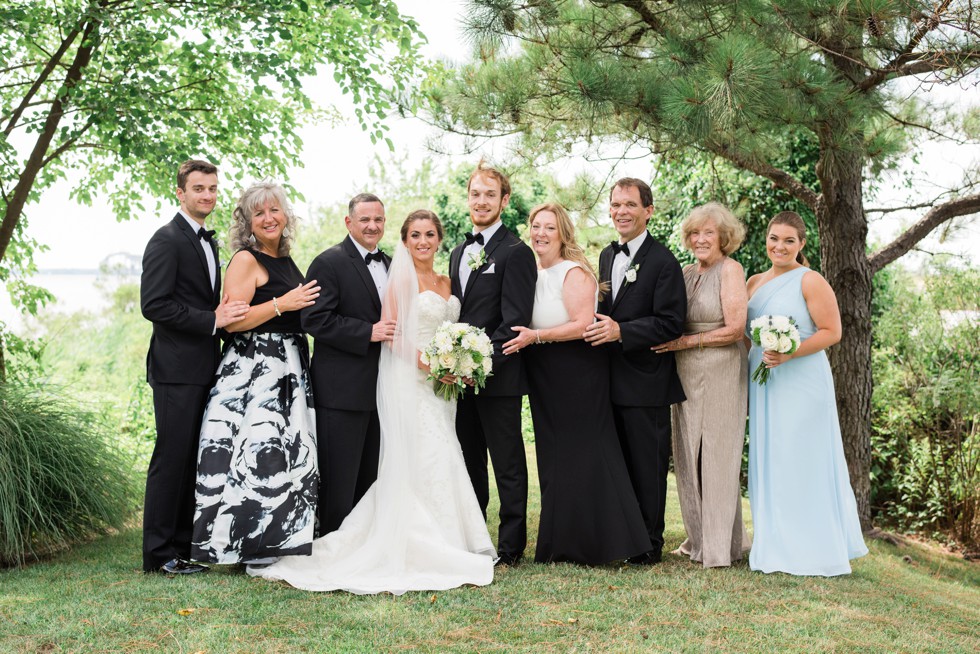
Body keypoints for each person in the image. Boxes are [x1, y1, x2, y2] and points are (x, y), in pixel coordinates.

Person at [249, 210, 496, 593]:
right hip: (411, 379)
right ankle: (398, 541)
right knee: (418, 457)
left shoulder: (447, 280)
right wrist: (434, 366)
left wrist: (461, 361)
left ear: (439, 237)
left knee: (441, 454)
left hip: (440, 386)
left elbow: (449, 329)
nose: (423, 241)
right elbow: (390, 333)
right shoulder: (373, 271)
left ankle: (451, 540)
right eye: (415, 234)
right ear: (404, 239)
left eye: (430, 234)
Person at [503, 204, 649, 564]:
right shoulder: (532, 272)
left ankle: (606, 543)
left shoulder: (573, 273)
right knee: (554, 457)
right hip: (543, 371)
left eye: (549, 227)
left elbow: (584, 323)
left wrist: (536, 336)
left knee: (586, 453)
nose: (540, 233)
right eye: (535, 226)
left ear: (563, 233)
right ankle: (560, 543)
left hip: (577, 371)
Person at [190, 181, 321, 565]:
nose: (268, 218)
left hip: (289, 366)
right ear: (247, 222)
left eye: (274, 210)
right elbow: (233, 322)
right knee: (252, 449)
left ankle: (277, 540)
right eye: (259, 213)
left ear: (286, 216)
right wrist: (283, 303)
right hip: (255, 367)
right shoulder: (246, 260)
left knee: (284, 451)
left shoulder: (285, 258)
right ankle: (236, 543)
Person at [140, 159, 250, 574]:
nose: (207, 195)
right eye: (199, 188)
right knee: (171, 459)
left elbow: (204, 301)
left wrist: (225, 321)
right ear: (180, 193)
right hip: (175, 370)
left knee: (193, 458)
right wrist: (212, 320)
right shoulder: (166, 239)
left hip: (204, 367)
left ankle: (183, 548)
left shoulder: (208, 240)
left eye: (212, 189)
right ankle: (159, 555)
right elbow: (154, 305)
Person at [746, 211, 868, 576]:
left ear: (801, 244)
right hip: (764, 380)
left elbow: (832, 331)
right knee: (771, 455)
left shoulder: (810, 281)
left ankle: (813, 548)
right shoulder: (753, 282)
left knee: (801, 456)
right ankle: (775, 543)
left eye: (788, 240)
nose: (778, 246)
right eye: (773, 238)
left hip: (801, 381)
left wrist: (789, 351)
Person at [584, 177, 686, 565]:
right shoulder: (608, 257)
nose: (621, 211)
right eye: (615, 205)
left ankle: (649, 544)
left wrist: (621, 331)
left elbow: (672, 322)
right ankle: (624, 538)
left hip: (646, 382)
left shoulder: (663, 262)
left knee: (647, 465)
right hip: (609, 379)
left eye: (629, 204)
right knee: (620, 464)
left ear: (648, 211)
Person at [651, 203, 751, 568]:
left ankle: (718, 547)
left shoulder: (731, 269)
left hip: (722, 368)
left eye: (708, 232)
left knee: (717, 456)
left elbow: (736, 329)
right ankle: (699, 538)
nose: (700, 239)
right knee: (688, 452)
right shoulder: (685, 271)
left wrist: (686, 344)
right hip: (685, 372)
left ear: (724, 236)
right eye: (694, 233)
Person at [450, 162, 536, 566]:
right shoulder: (457, 252)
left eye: (489, 194)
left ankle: (511, 546)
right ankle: (474, 536)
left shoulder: (516, 252)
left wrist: (477, 364)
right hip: (456, 378)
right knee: (468, 461)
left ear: (504, 201)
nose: (480, 201)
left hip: (497, 375)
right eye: (474, 194)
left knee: (507, 462)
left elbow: (513, 321)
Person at [302, 193, 394, 535]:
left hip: (382, 389)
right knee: (338, 481)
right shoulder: (328, 262)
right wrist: (366, 332)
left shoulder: (392, 263)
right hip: (341, 391)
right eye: (365, 219)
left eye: (379, 220)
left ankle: (358, 546)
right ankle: (330, 547)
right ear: (349, 222)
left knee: (369, 478)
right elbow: (314, 320)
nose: (372, 226)